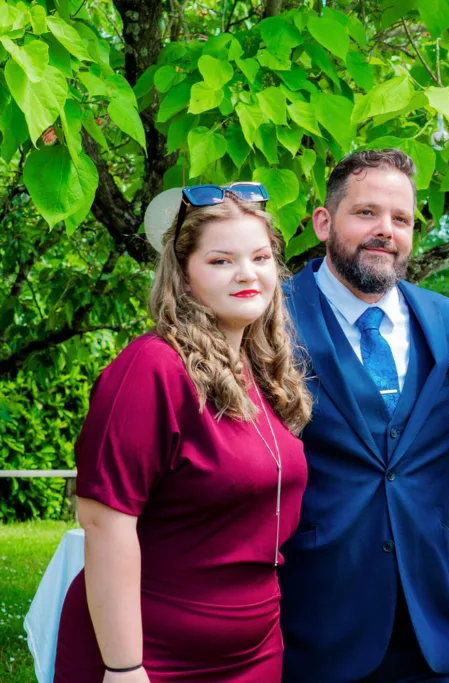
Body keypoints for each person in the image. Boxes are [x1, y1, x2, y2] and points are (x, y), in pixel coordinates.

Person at [54, 183, 313, 682]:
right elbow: (105, 521)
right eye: (221, 261)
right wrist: (124, 667)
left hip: (254, 654)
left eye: (260, 257)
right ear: (186, 276)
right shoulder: (153, 367)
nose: (246, 274)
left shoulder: (261, 374)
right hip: (152, 655)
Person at [278, 150, 449, 683]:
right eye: (366, 213)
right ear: (324, 222)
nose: (384, 230)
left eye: (401, 219)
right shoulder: (269, 320)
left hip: (433, 636)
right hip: (315, 629)